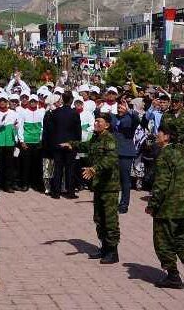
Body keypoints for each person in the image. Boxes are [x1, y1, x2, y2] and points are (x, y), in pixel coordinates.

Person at [147, 123, 184, 291]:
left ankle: (173, 276)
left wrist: (153, 204)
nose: (157, 135)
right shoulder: (180, 152)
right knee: (180, 240)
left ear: (167, 137)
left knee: (162, 242)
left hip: (167, 208)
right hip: (182, 207)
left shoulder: (165, 155)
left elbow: (161, 183)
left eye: (159, 133)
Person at [81, 113, 120, 264]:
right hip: (99, 185)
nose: (96, 123)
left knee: (110, 220)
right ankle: (104, 247)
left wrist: (95, 169)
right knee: (99, 218)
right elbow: (87, 146)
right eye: (95, 120)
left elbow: (110, 159)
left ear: (107, 125)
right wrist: (71, 144)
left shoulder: (109, 139)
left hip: (109, 186)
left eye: (99, 121)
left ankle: (112, 251)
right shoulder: (96, 138)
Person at [43, 91, 81, 199]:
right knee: (70, 169)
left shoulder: (55, 112)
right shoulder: (75, 113)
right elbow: (78, 131)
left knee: (58, 168)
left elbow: (51, 130)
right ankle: (70, 192)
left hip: (57, 143)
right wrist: (76, 143)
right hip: (70, 144)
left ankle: (56, 192)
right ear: (71, 100)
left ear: (62, 100)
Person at [112, 99, 138, 213]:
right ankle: (113, 201)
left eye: (122, 107)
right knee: (113, 179)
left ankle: (124, 204)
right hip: (114, 151)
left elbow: (137, 120)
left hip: (126, 152)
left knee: (125, 180)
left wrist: (129, 111)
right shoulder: (114, 117)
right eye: (118, 107)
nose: (120, 109)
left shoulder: (130, 117)